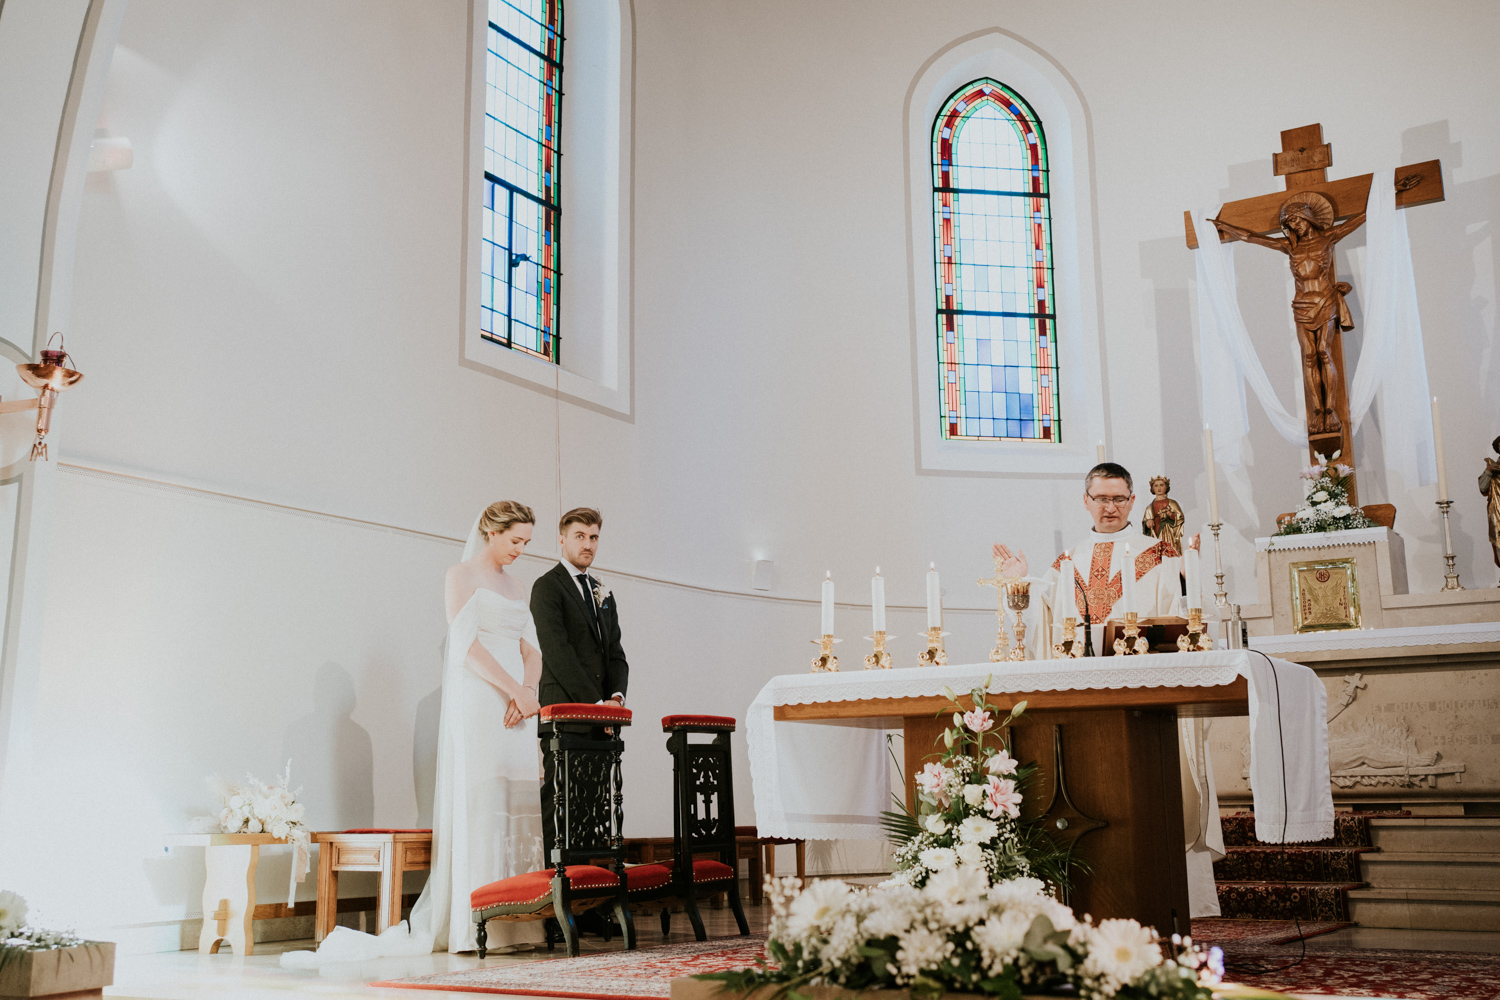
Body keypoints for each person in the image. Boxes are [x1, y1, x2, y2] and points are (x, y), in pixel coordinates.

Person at [405, 500, 546, 954]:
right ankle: (474, 922)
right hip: (483, 697)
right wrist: (511, 691)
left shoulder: (518, 584)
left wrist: (529, 691)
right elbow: (465, 646)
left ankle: (520, 920)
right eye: (515, 540)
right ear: (492, 533)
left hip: (518, 705)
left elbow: (533, 650)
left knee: (517, 800)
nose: (520, 549)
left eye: (526, 542)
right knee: (483, 800)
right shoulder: (459, 576)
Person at [529, 508, 629, 858]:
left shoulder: (603, 591)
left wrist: (616, 697)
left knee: (594, 809)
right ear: (562, 539)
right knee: (561, 807)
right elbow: (557, 652)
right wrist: (597, 706)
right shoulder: (547, 587)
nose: (588, 544)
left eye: (594, 537)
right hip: (566, 717)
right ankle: (557, 897)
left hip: (602, 721)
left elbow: (615, 651)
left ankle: (590, 899)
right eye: (580, 536)